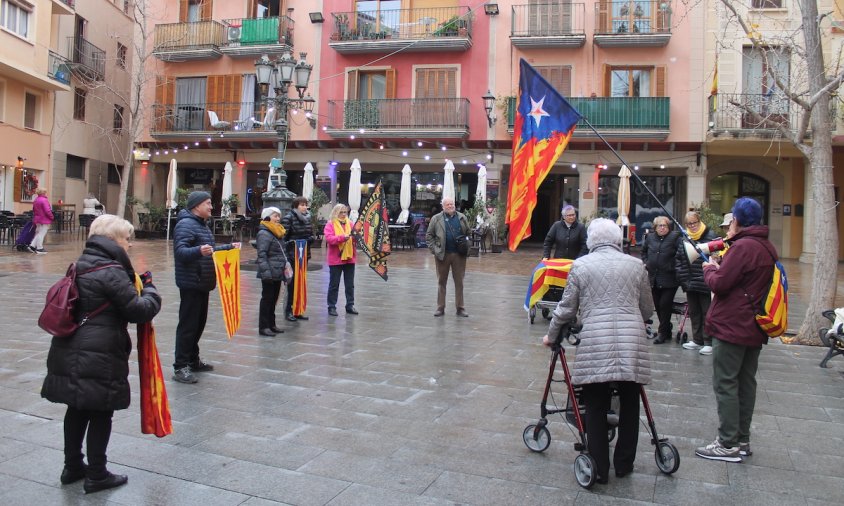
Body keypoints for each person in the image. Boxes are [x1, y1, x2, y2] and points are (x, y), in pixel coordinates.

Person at [41, 215, 161, 494]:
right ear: (113, 240)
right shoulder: (111, 270)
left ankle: (72, 467)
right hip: (99, 352)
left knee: (77, 408)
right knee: (100, 411)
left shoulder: (81, 263)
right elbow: (138, 311)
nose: (129, 245)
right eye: (126, 239)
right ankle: (97, 474)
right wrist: (151, 289)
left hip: (71, 345)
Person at [542, 218, 654, 484]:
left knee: (594, 402)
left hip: (596, 341)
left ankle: (599, 468)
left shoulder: (581, 265)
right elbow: (648, 309)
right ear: (617, 240)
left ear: (591, 240)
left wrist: (552, 335)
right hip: (632, 342)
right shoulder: (637, 265)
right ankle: (625, 464)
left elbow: (566, 309)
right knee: (629, 400)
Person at [696, 198, 774, 462]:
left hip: (732, 324)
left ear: (737, 221)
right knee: (745, 382)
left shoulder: (743, 248)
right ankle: (742, 439)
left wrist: (708, 269)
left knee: (726, 383)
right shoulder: (766, 246)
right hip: (753, 324)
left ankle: (727, 443)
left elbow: (721, 284)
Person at [172, 191, 240, 384]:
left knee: (198, 324)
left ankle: (193, 360)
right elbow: (181, 252)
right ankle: (180, 366)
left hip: (202, 282)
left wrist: (227, 248)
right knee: (188, 326)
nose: (211, 207)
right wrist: (197, 251)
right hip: (191, 282)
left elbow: (208, 251)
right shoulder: (185, 224)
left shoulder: (202, 225)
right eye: (208, 203)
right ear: (196, 206)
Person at [676, 211, 719, 355]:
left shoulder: (710, 236)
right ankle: (697, 339)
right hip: (690, 281)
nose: (692, 226)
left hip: (705, 282)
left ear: (699, 221)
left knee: (707, 313)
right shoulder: (685, 237)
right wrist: (682, 278)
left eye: (694, 223)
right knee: (694, 312)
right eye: (689, 224)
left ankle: (708, 341)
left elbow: (717, 257)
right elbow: (679, 259)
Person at [425, 197, 471, 317]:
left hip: (459, 255)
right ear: (443, 206)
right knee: (441, 281)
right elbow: (429, 236)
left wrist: (467, 246)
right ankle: (440, 307)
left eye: (452, 204)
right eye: (448, 204)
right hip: (442, 255)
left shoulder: (462, 217)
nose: (450, 206)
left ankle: (460, 308)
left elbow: (468, 233)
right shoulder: (436, 219)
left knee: (459, 282)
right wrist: (435, 250)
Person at [641, 215, 682, 344]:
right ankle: (667, 329)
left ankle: (662, 332)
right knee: (657, 305)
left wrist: (672, 266)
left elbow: (680, 254)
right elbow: (644, 252)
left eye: (665, 225)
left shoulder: (675, 237)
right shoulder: (650, 238)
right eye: (660, 225)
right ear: (655, 228)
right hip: (654, 277)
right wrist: (647, 263)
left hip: (669, 278)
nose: (663, 228)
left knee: (665, 305)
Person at [255, 206, 288, 337]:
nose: (278, 219)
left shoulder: (277, 231)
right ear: (267, 217)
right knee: (267, 299)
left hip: (277, 271)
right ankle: (263, 326)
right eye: (275, 216)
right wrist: (266, 273)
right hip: (269, 272)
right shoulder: (264, 233)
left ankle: (272, 324)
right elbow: (262, 254)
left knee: (274, 299)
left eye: (279, 216)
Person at [281, 196, 313, 322]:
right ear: (295, 206)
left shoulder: (308, 218)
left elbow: (310, 235)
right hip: (292, 255)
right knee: (291, 284)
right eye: (302, 205)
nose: (305, 207)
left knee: (301, 283)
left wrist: (310, 240)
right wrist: (292, 243)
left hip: (303, 255)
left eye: (305, 205)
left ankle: (298, 309)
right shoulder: (288, 218)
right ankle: (288, 310)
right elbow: (283, 238)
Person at [324, 204, 358, 316]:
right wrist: (342, 238)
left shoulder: (351, 224)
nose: (344, 214)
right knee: (334, 284)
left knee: (350, 284)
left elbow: (355, 239)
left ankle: (350, 305)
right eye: (341, 212)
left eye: (345, 212)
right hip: (336, 259)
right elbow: (329, 239)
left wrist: (357, 237)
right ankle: (331, 306)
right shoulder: (330, 224)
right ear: (335, 213)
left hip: (349, 258)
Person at [29, 188, 54, 254]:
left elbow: (34, 210)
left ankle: (32, 246)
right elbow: (47, 210)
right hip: (44, 219)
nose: (46, 193)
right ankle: (39, 248)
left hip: (37, 219)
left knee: (38, 233)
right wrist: (52, 217)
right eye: (45, 192)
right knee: (41, 234)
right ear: (43, 193)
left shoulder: (36, 200)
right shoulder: (44, 200)